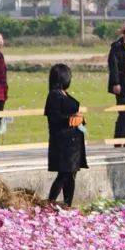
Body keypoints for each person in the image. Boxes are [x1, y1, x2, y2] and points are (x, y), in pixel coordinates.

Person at [44, 62, 87, 207]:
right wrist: (71, 119)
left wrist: (80, 119)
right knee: (64, 174)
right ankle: (50, 202)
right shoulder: (54, 95)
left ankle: (68, 204)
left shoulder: (64, 94)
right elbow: (54, 117)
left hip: (73, 142)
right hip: (62, 141)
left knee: (71, 174)